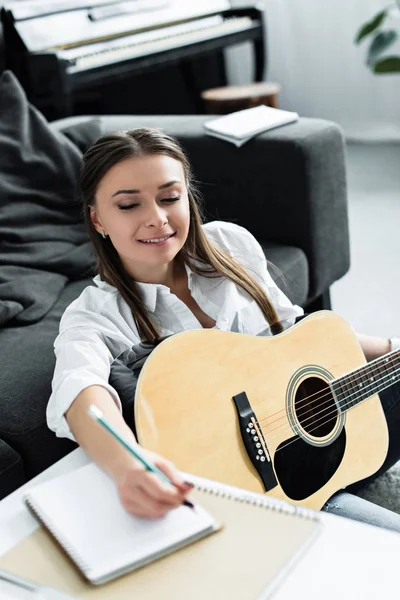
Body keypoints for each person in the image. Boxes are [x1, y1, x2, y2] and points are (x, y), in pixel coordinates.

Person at [48, 128, 400, 530]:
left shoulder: (231, 246)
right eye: (129, 205)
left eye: (169, 197)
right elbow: (80, 391)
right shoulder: (95, 315)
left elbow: (299, 338)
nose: (157, 219)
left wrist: (392, 345)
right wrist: (131, 467)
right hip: (258, 493)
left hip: (322, 440)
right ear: (97, 218)